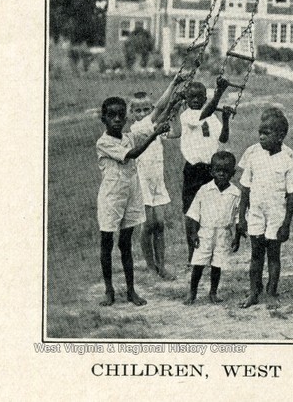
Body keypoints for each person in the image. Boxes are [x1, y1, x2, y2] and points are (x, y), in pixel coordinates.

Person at [96, 97, 170, 306]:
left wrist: (172, 104)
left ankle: (130, 291)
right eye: (112, 116)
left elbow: (152, 121)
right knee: (107, 243)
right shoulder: (104, 142)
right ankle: (109, 290)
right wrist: (155, 133)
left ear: (126, 118)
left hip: (131, 195)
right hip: (111, 198)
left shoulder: (128, 136)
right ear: (104, 119)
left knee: (126, 243)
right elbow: (133, 153)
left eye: (121, 115)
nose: (117, 119)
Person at [236, 107, 293, 309]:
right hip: (256, 213)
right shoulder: (254, 157)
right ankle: (254, 292)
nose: (261, 137)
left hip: (276, 215)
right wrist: (242, 218)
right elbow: (245, 189)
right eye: (260, 133)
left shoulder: (287, 161)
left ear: (281, 136)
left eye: (267, 134)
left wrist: (286, 224)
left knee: (273, 254)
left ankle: (272, 291)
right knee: (256, 255)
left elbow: (291, 197)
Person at [128, 74, 185, 280]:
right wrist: (173, 85)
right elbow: (161, 109)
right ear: (131, 113)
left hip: (156, 181)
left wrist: (176, 112)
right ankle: (151, 266)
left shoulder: (154, 128)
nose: (143, 113)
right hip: (142, 181)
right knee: (148, 224)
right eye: (138, 110)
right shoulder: (138, 129)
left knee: (159, 224)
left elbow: (176, 132)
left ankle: (162, 265)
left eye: (146, 109)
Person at [179, 78, 231, 264]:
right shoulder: (187, 115)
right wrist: (219, 93)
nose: (195, 100)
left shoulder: (212, 117)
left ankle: (208, 252)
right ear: (186, 100)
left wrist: (225, 119)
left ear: (204, 97)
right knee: (191, 211)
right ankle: (191, 253)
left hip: (211, 170)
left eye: (199, 97)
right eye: (191, 97)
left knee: (210, 211)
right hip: (194, 169)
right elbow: (204, 112)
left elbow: (223, 139)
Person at [183, 151, 240, 305]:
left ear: (233, 173)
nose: (221, 174)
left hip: (223, 234)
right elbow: (193, 214)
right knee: (199, 264)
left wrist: (237, 237)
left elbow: (237, 218)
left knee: (217, 265)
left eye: (226, 171)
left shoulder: (235, 193)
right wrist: (193, 234)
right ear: (211, 171)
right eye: (218, 170)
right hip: (205, 233)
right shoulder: (204, 190)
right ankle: (192, 292)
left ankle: (213, 292)